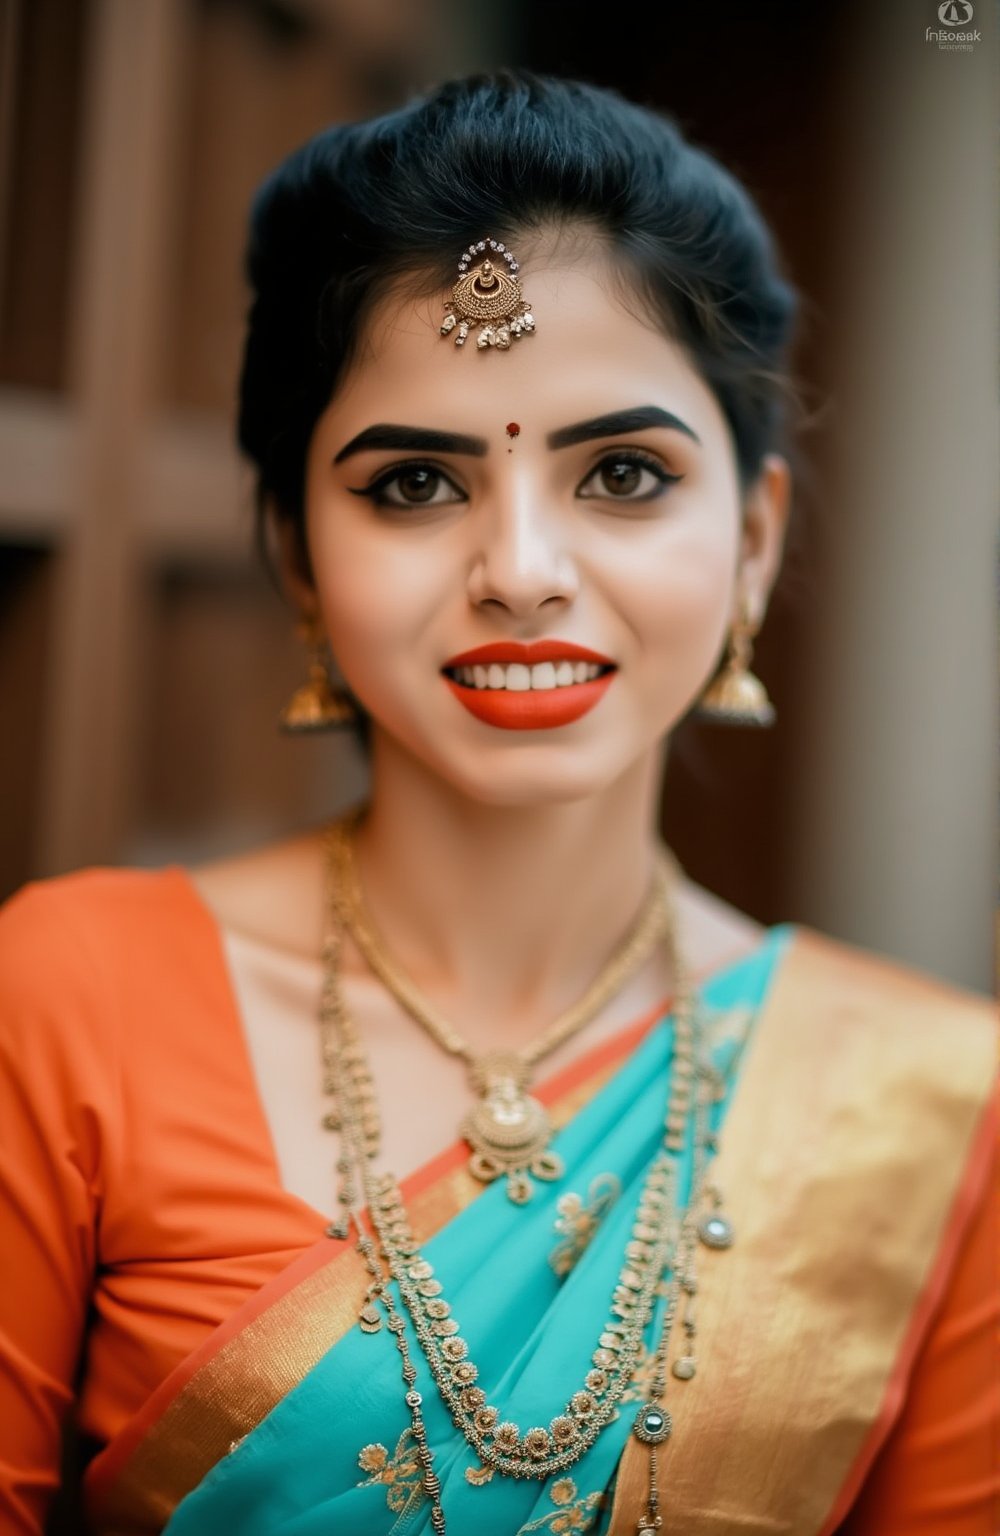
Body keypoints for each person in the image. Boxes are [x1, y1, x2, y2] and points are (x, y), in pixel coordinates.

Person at [0, 72, 994, 1536]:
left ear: (758, 542)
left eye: (626, 474)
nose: (522, 568)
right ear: (295, 555)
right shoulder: (61, 998)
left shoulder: (933, 1106)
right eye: (413, 484)